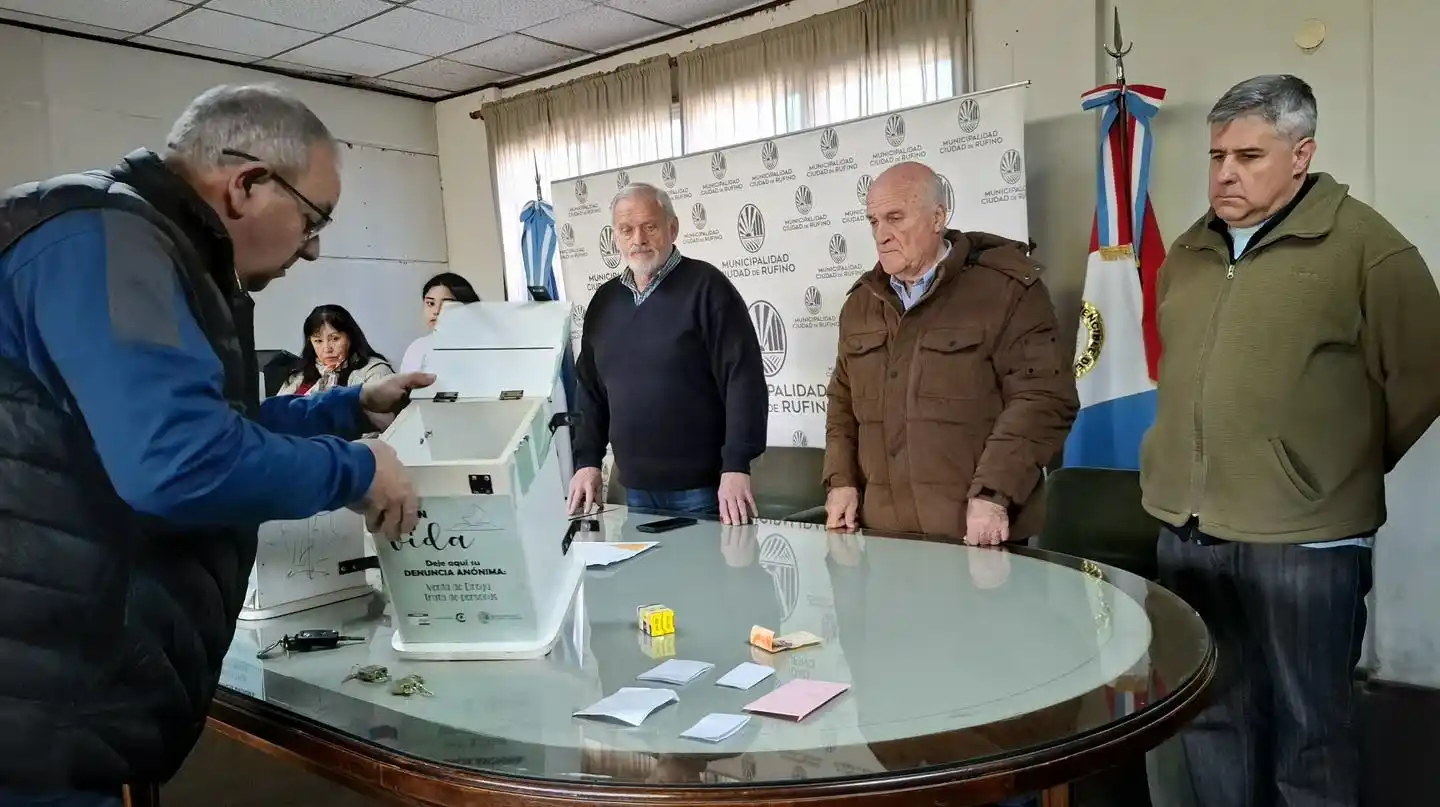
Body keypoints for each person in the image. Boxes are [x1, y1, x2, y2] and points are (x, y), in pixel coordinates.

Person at [0, 84, 433, 804]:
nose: (314, 247)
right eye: (313, 219)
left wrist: (349, 408)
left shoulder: (138, 244)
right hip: (33, 719)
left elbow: (214, 426)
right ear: (247, 184)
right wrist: (356, 470)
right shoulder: (108, 241)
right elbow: (178, 459)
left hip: (59, 705)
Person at [1140, 74, 1440, 807]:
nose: (1225, 173)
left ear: (1301, 155)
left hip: (1306, 539)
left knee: (1311, 729)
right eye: (1217, 156)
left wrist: (1328, 467)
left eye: (1249, 156)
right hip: (1190, 529)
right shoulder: (1190, 250)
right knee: (1212, 714)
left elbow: (1424, 374)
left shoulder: (1366, 247)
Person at [823, 161, 1077, 544]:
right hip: (882, 539)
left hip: (978, 536)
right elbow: (842, 404)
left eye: (895, 218)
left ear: (938, 218)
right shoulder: (861, 304)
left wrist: (993, 494)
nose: (882, 235)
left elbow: (1043, 398)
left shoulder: (1005, 290)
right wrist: (840, 481)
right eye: (873, 221)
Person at [567, 182, 767, 524]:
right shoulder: (604, 302)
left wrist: (736, 466)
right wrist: (587, 461)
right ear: (616, 237)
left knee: (711, 563)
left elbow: (743, 380)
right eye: (626, 230)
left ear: (672, 228)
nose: (638, 239)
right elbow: (590, 391)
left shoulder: (708, 288)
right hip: (635, 490)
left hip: (705, 491)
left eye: (649, 226)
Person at [278, 303, 394, 395]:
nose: (327, 349)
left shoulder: (374, 372)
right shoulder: (299, 375)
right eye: (318, 341)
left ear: (351, 337)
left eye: (335, 339)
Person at [398, 271, 481, 373]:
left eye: (447, 304)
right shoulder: (418, 348)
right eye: (430, 303)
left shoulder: (483, 347)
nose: (436, 311)